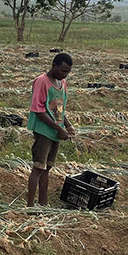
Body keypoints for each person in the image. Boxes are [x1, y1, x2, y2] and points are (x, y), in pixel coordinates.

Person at [27, 52, 76, 206]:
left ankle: (43, 203)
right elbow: (38, 110)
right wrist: (59, 128)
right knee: (38, 167)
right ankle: (30, 205)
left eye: (67, 72)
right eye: (62, 71)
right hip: (44, 131)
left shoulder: (62, 83)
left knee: (47, 168)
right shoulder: (42, 82)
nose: (65, 75)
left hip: (55, 131)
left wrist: (67, 125)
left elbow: (59, 108)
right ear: (53, 65)